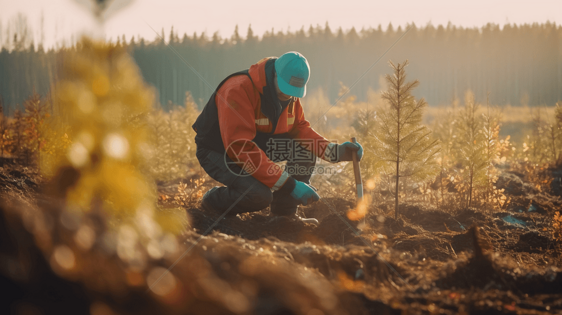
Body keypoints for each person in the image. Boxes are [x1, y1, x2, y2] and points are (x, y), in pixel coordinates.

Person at [192, 51, 363, 223]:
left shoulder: (290, 95)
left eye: (293, 92)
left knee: (305, 148)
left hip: (256, 145)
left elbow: (299, 129)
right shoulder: (238, 89)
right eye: (285, 90)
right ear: (274, 74)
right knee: (259, 195)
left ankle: (284, 214)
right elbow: (241, 148)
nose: (287, 96)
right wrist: (291, 185)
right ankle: (213, 202)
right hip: (220, 151)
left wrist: (336, 152)